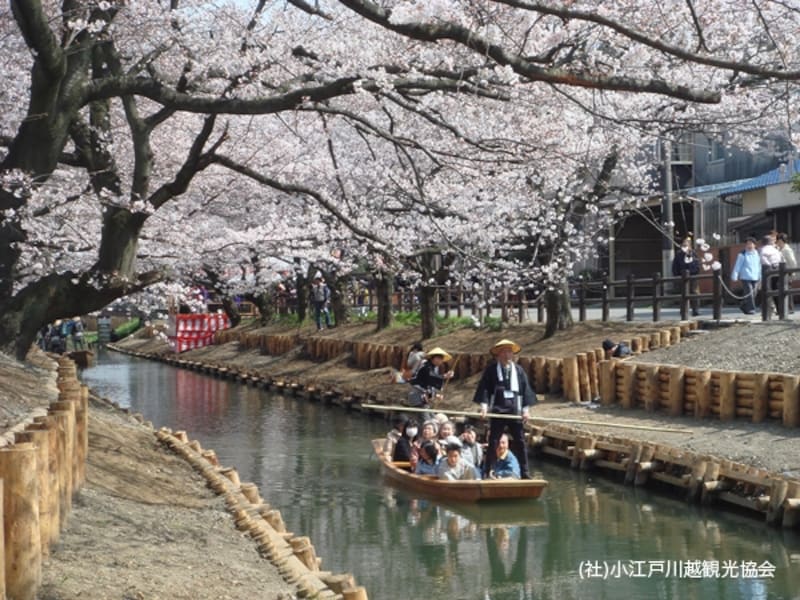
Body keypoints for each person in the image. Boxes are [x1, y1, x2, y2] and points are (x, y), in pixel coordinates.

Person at [474, 339, 536, 479]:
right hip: (498, 409)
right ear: (498, 354)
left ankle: (525, 473)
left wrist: (526, 410)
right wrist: (484, 407)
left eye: (509, 352)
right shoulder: (491, 370)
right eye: (504, 352)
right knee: (493, 441)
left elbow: (525, 391)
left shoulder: (519, 370)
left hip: (515, 410)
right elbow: (484, 389)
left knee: (520, 441)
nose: (507, 355)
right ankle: (488, 470)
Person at [731, 237, 762, 315]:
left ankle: (743, 305)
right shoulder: (742, 254)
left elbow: (760, 266)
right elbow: (737, 265)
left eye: (751, 243)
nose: (749, 245)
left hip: (755, 276)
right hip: (745, 276)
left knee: (754, 293)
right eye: (747, 244)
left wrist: (761, 276)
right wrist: (735, 275)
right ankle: (751, 309)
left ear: (754, 245)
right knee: (750, 293)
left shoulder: (757, 254)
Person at [671, 236, 701, 316]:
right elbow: (675, 267)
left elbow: (697, 266)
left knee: (694, 293)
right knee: (683, 294)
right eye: (683, 245)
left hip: (693, 276)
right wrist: (677, 276)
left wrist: (694, 272)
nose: (684, 247)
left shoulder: (693, 254)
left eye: (686, 245)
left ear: (689, 246)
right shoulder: (678, 255)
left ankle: (695, 310)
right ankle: (683, 310)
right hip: (682, 277)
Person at [760, 234, 783, 315]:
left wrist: (768, 266)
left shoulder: (763, 249)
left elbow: (763, 260)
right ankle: (781, 310)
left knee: (768, 291)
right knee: (777, 290)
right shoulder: (775, 249)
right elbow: (781, 258)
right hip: (778, 269)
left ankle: (768, 311)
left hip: (769, 271)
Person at [776, 233, 797, 313]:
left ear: (782, 241)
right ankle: (785, 308)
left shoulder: (787, 250)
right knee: (783, 290)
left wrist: (791, 272)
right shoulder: (779, 249)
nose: (777, 242)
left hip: (787, 272)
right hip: (781, 273)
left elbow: (793, 262)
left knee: (787, 290)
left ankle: (790, 308)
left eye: (779, 240)